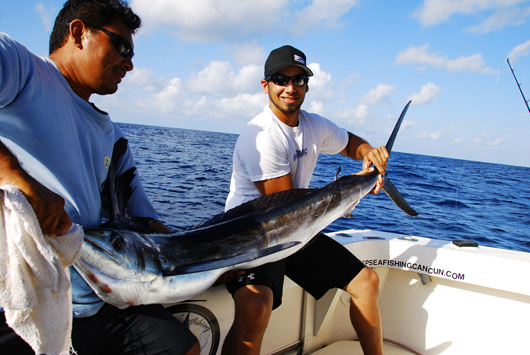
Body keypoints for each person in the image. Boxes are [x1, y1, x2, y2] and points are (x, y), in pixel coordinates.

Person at [0, 1, 199, 354]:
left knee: (184, 347)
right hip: (17, 303)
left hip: (100, 299)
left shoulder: (112, 135)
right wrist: (16, 177)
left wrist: (209, 256)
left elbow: (146, 222)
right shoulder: (21, 67)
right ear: (79, 33)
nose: (129, 63)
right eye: (121, 46)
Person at [222, 45, 388, 355]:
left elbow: (350, 143)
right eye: (280, 79)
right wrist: (352, 188)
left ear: (307, 87)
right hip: (252, 237)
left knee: (367, 283)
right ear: (265, 85)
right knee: (256, 306)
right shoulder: (260, 137)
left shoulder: (314, 125)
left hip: (298, 232)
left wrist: (369, 154)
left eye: (298, 80)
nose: (290, 87)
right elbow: (288, 211)